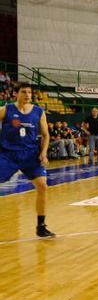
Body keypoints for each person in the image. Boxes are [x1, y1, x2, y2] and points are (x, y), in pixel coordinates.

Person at [0, 82, 54, 238]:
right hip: (8, 154)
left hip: (31, 155)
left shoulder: (38, 112)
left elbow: (46, 135)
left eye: (30, 92)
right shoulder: (6, 110)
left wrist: (43, 153)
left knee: (43, 186)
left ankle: (41, 226)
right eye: (24, 92)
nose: (27, 95)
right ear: (16, 94)